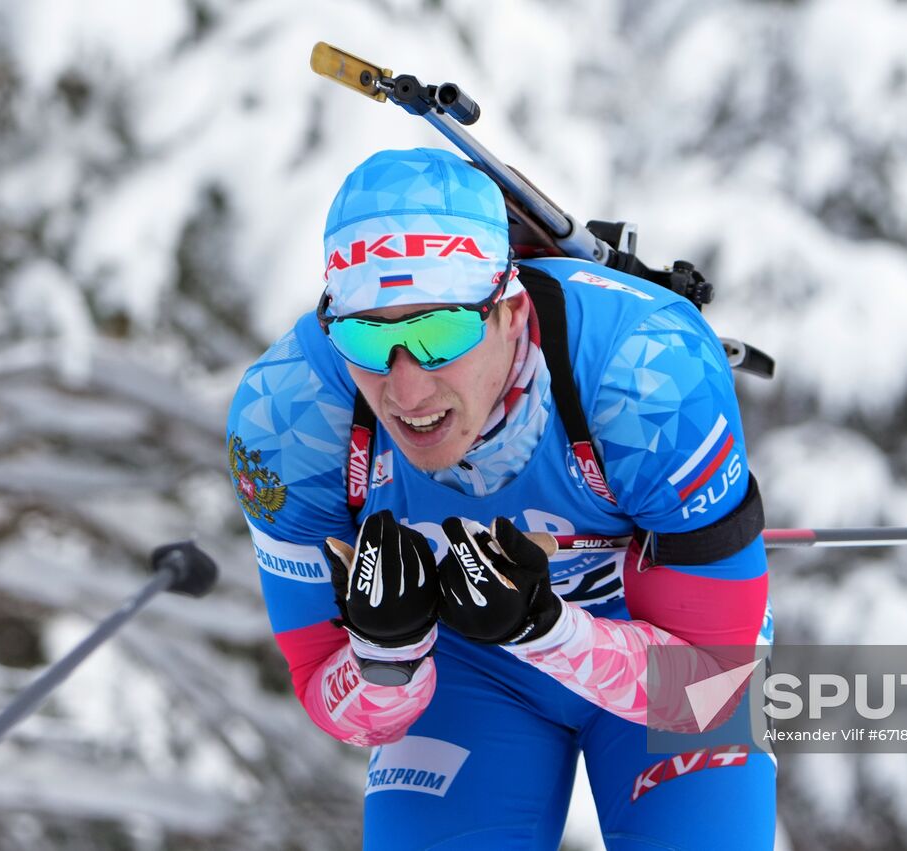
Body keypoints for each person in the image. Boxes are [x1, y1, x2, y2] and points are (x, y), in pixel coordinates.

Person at [226, 147, 775, 849]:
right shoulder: (288, 418)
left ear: (510, 312)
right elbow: (325, 691)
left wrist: (548, 628)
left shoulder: (650, 377)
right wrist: (388, 652)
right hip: (469, 666)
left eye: (440, 333)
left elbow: (711, 686)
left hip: (662, 647)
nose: (406, 390)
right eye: (367, 337)